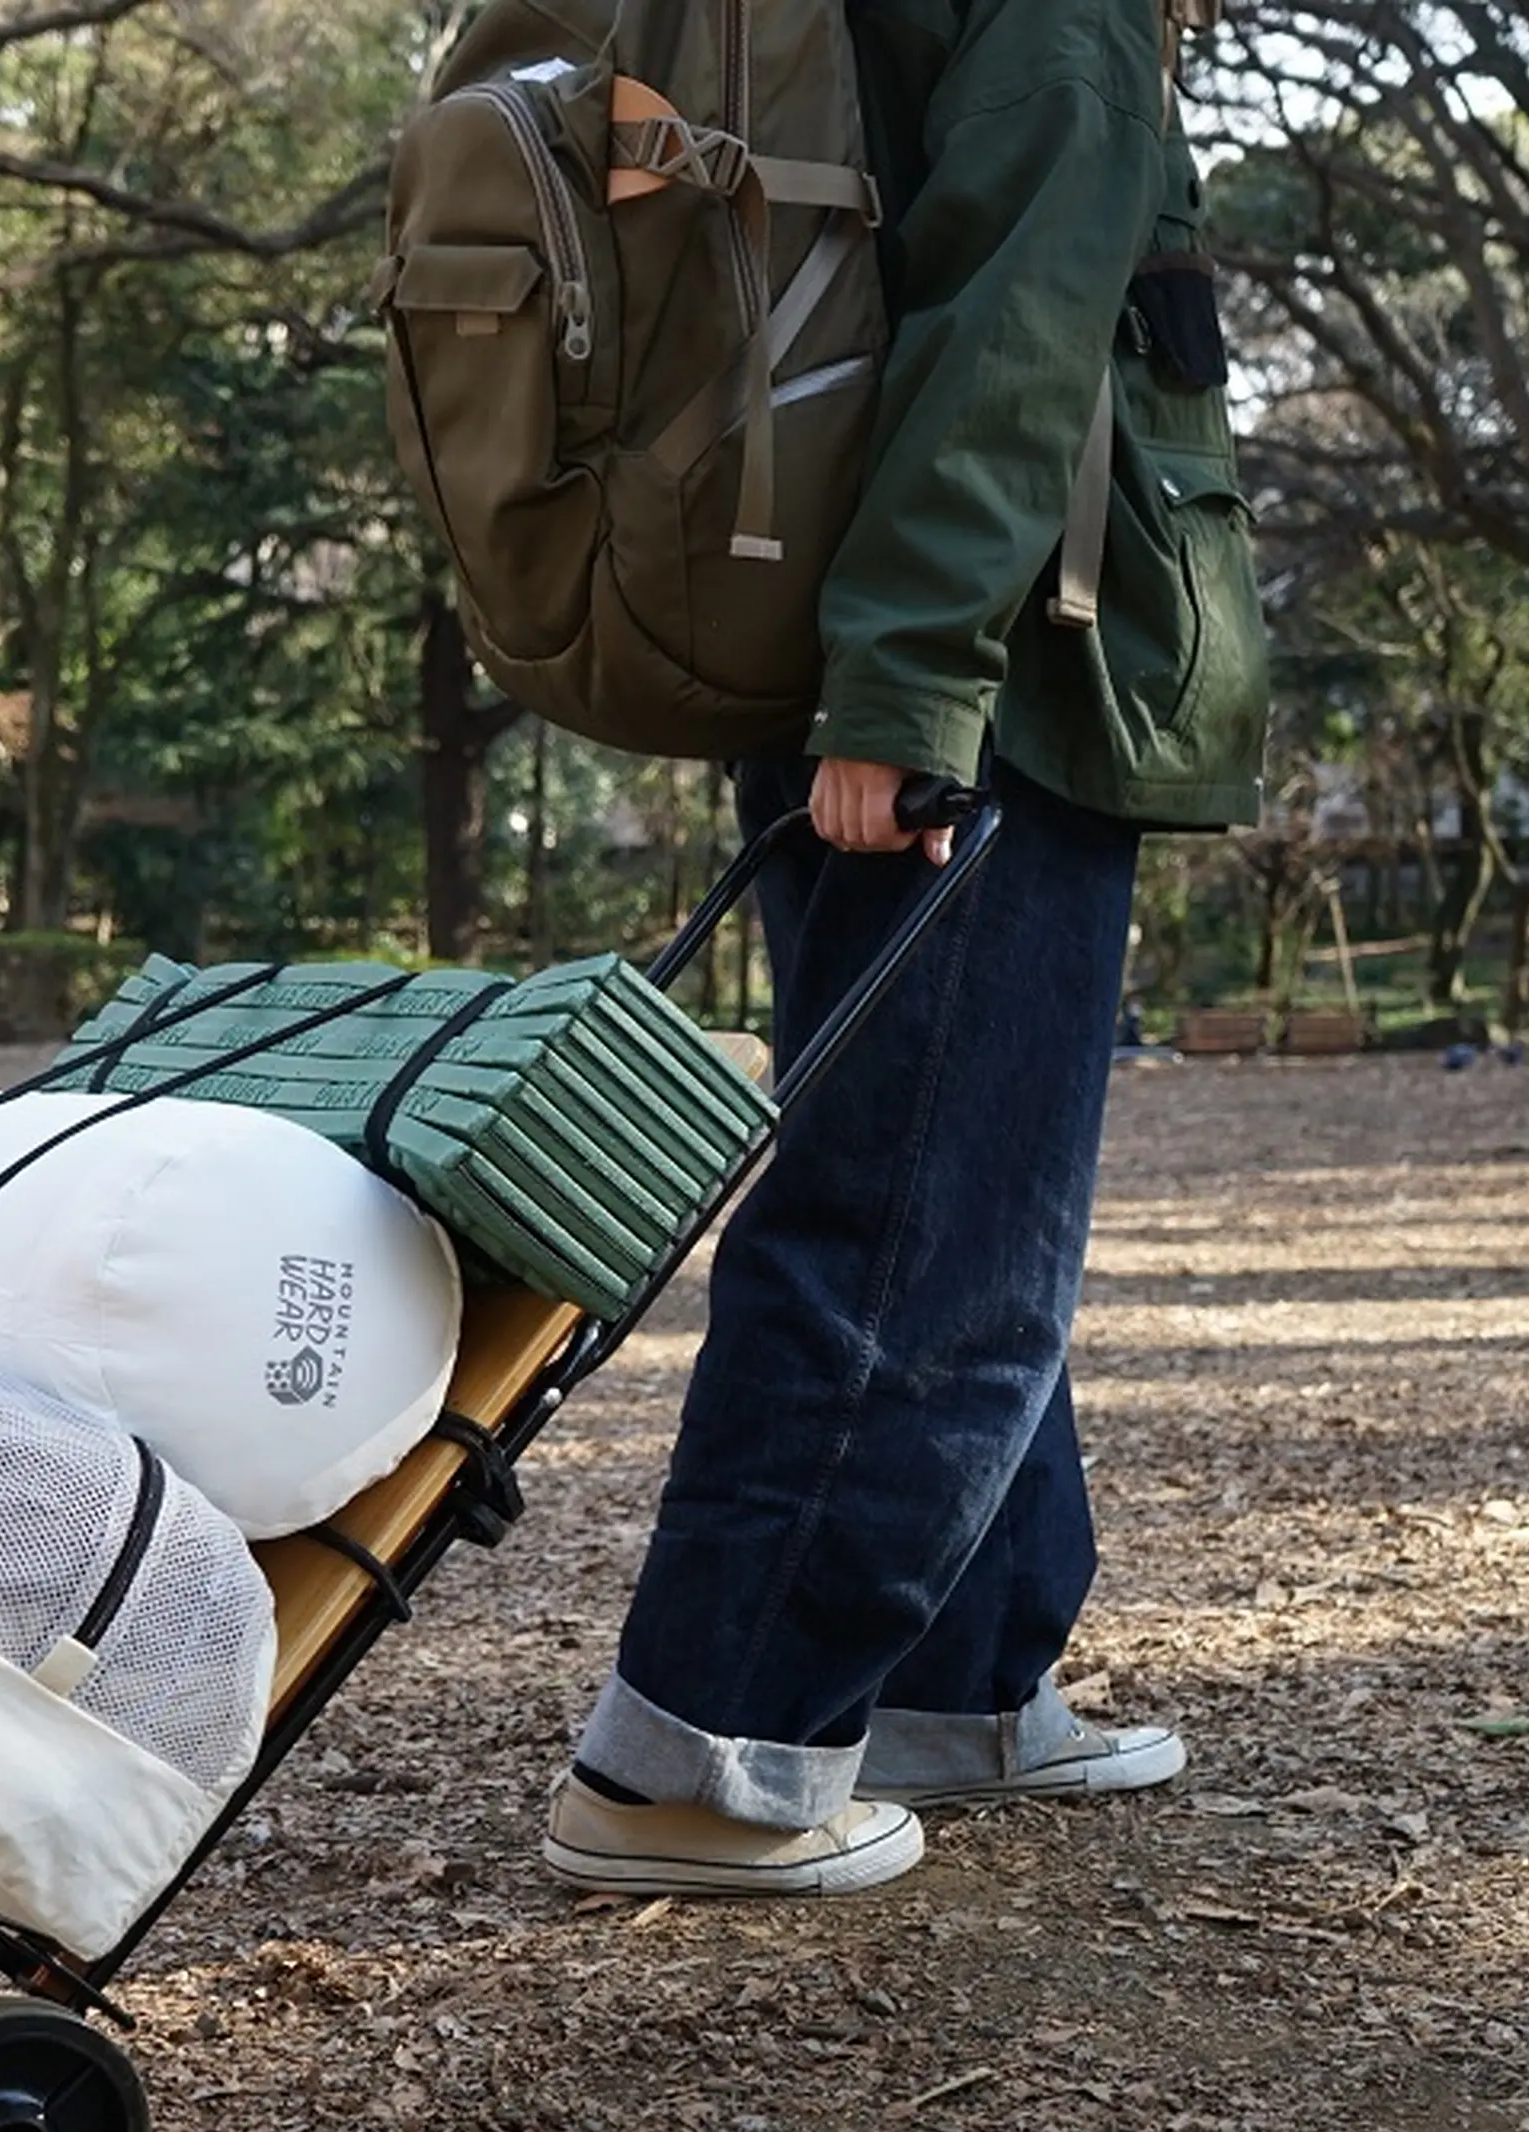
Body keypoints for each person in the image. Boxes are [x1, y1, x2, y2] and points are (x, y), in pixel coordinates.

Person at [540, 0, 1264, 1896]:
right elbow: (1015, 324)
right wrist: (917, 683)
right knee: (919, 1231)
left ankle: (956, 1675)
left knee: (963, 1182)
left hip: (885, 648)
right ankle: (702, 1751)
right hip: (977, 675)